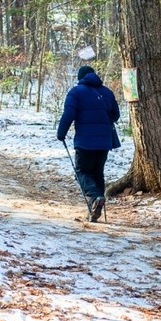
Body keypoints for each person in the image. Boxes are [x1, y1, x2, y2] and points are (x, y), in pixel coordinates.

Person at [56, 65, 121, 222]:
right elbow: (116, 115)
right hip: (105, 141)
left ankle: (95, 197)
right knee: (98, 172)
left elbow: (69, 114)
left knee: (82, 171)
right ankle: (96, 207)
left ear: (80, 77)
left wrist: (61, 133)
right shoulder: (107, 92)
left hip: (85, 141)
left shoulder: (76, 92)